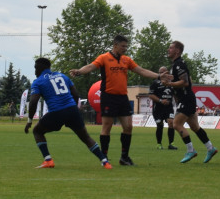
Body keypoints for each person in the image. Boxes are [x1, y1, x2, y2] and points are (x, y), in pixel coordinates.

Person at [69, 34, 162, 167]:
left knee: (128, 127)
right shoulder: (104, 58)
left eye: (126, 46)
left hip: (123, 97)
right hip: (108, 96)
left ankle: (124, 158)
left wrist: (158, 76)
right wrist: (79, 71)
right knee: (107, 127)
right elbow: (90, 66)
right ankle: (104, 157)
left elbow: (141, 71)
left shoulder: (126, 60)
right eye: (123, 46)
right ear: (115, 45)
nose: (125, 48)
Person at [25, 57, 112, 169]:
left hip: (56, 112)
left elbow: (33, 102)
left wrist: (29, 121)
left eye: (35, 68)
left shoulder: (38, 82)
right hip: (72, 110)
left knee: (37, 131)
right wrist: (73, 109)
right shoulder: (62, 76)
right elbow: (75, 93)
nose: (35, 71)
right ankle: (105, 162)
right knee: (85, 137)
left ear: (40, 68)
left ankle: (48, 160)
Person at [162, 40, 218, 164]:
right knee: (194, 126)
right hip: (187, 98)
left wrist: (170, 83)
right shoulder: (176, 65)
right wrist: (171, 79)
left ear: (177, 51)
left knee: (176, 124)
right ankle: (210, 148)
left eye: (170, 48)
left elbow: (186, 82)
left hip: (186, 99)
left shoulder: (179, 64)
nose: (168, 50)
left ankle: (190, 150)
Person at [147, 66, 177, 150]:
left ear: (167, 72)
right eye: (160, 72)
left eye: (164, 72)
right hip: (158, 108)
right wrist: (160, 100)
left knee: (171, 123)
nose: (162, 74)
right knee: (160, 125)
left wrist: (178, 104)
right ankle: (159, 144)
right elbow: (151, 95)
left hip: (169, 107)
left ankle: (171, 144)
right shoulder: (155, 83)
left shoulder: (171, 83)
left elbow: (175, 95)